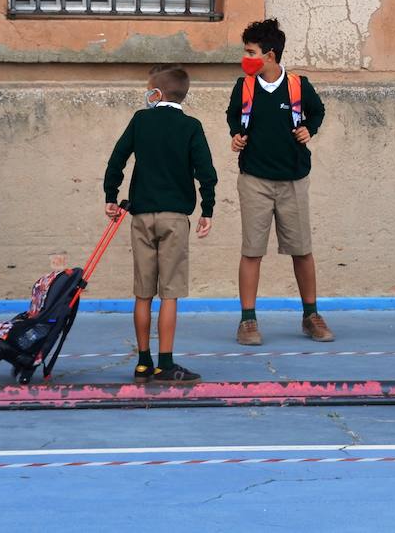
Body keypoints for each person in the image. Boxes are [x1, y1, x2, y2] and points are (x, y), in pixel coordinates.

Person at [104, 66, 216, 383]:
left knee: (143, 293)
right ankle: (165, 363)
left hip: (141, 216)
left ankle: (142, 362)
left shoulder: (141, 120)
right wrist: (207, 208)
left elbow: (117, 158)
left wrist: (110, 195)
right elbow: (205, 171)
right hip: (175, 219)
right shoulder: (191, 126)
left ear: (157, 93)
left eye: (149, 88)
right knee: (170, 293)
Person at [226, 19, 330, 346]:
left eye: (250, 52)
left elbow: (317, 112)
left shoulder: (299, 86)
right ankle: (247, 321)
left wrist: (308, 129)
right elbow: (233, 117)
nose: (246, 58)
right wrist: (236, 136)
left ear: (269, 55)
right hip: (254, 180)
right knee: (252, 251)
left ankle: (311, 315)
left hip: (293, 181)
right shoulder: (244, 87)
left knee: (302, 250)